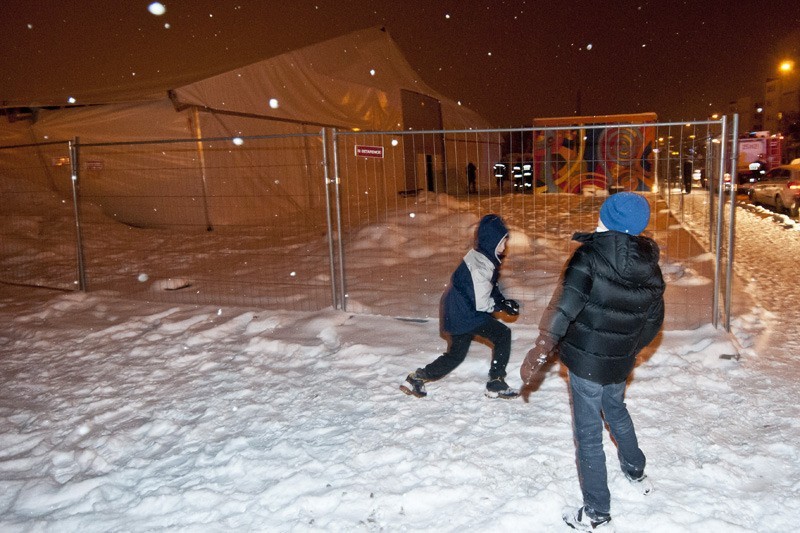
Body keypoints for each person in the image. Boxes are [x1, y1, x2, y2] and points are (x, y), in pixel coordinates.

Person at [520, 192, 665, 531]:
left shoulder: (588, 257)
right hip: (617, 363)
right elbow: (653, 322)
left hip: (585, 361)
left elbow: (564, 307)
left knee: (588, 435)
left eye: (603, 216)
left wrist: (541, 348)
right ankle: (635, 469)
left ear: (609, 221)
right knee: (615, 410)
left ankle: (597, 511)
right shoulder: (651, 268)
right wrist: (625, 347)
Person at [401, 214, 520, 399]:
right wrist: (500, 306)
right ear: (491, 242)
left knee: (455, 356)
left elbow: (489, 287)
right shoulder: (481, 267)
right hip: (466, 313)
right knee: (502, 334)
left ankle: (417, 378)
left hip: (457, 310)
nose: (505, 247)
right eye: (502, 242)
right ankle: (496, 382)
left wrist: (502, 301)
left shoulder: (483, 259)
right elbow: (482, 303)